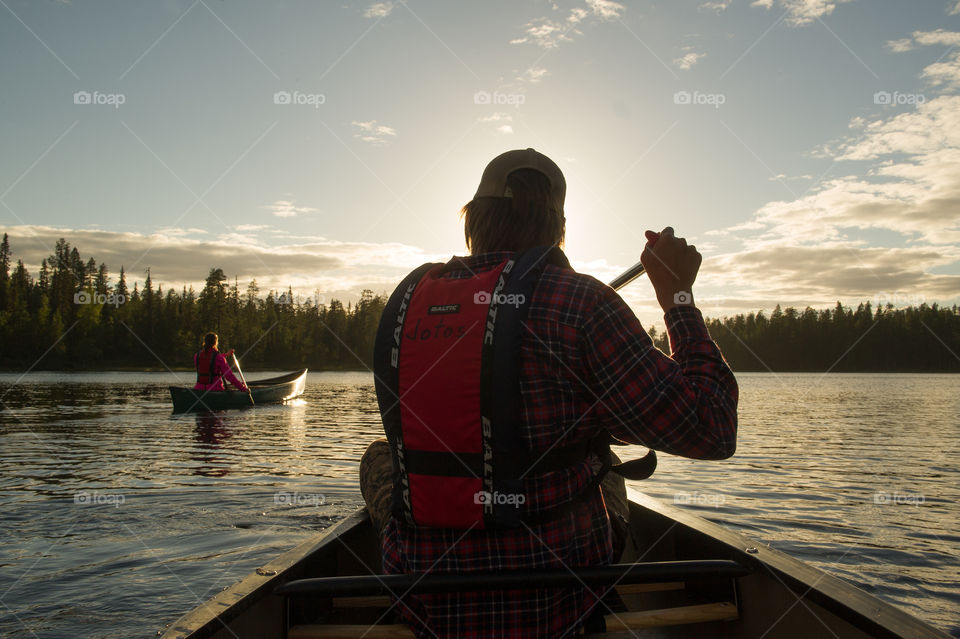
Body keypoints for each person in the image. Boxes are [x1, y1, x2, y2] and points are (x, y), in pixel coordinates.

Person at [360, 148, 738, 638]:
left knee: (379, 456)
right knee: (606, 471)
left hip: (427, 597)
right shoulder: (582, 303)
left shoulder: (411, 299)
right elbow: (712, 429)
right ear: (557, 224)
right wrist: (676, 295)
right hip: (555, 601)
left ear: (473, 220)